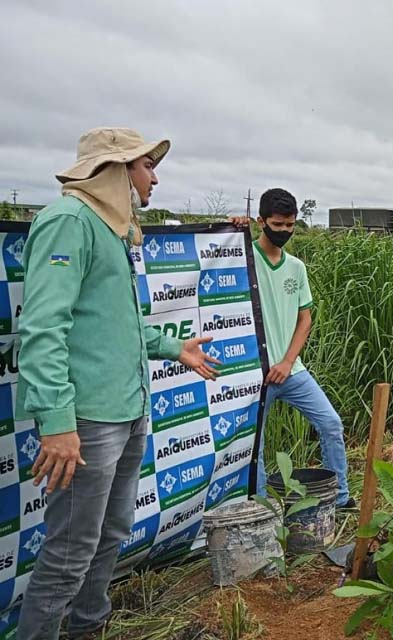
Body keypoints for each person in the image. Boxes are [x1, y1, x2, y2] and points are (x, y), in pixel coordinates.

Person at [15, 128, 218, 640]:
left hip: (127, 409)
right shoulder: (68, 222)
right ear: (116, 170)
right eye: (148, 167)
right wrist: (58, 423)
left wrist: (174, 348)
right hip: (88, 419)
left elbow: (109, 327)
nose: (154, 179)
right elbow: (42, 330)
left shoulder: (111, 230)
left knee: (112, 531)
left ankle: (88, 626)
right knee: (68, 551)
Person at [231, 189, 352, 508]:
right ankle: (260, 507)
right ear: (261, 221)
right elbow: (212, 256)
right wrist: (230, 231)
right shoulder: (243, 256)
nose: (283, 231)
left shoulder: (296, 267)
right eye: (277, 224)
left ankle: (339, 497)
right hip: (255, 373)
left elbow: (305, 319)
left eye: (289, 225)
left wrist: (287, 361)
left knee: (330, 423)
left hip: (291, 370)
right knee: (252, 443)